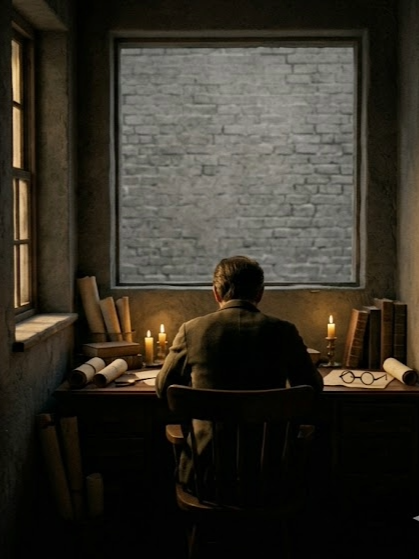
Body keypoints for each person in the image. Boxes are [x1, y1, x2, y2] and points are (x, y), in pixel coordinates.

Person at [155, 255, 323, 488]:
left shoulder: (191, 330)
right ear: (260, 293)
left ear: (216, 293)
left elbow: (163, 389)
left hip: (206, 475)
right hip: (270, 473)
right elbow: (313, 388)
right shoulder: (284, 331)